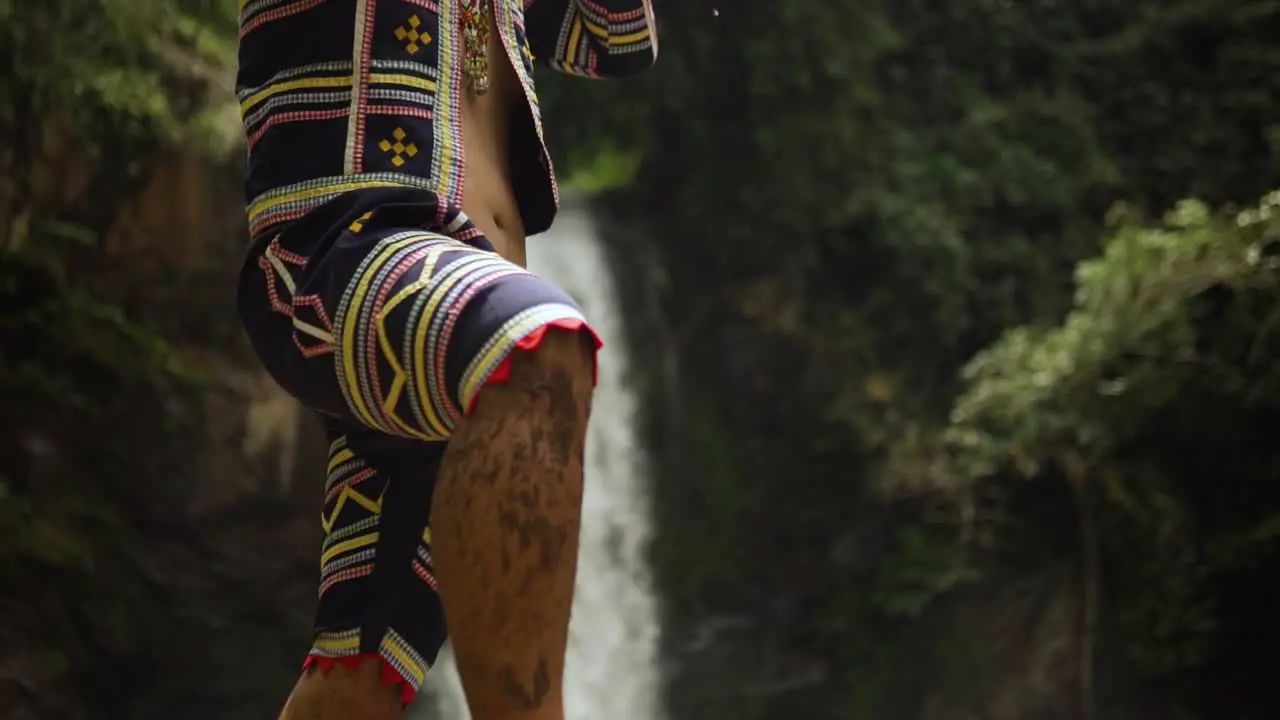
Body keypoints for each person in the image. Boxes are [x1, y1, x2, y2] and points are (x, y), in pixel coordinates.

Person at [233, 1, 658, 718]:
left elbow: (613, 40)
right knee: (537, 353)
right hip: (342, 257)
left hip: (449, 337)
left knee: (359, 681)